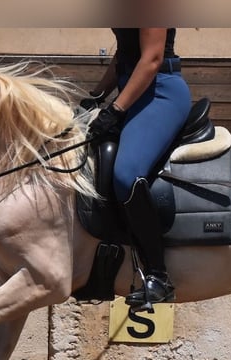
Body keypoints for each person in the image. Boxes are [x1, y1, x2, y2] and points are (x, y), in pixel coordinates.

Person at [83, 28, 192, 309]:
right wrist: (98, 95)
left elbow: (152, 59)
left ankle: (158, 275)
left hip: (160, 92)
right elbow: (124, 53)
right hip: (132, 89)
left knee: (127, 175)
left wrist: (116, 109)